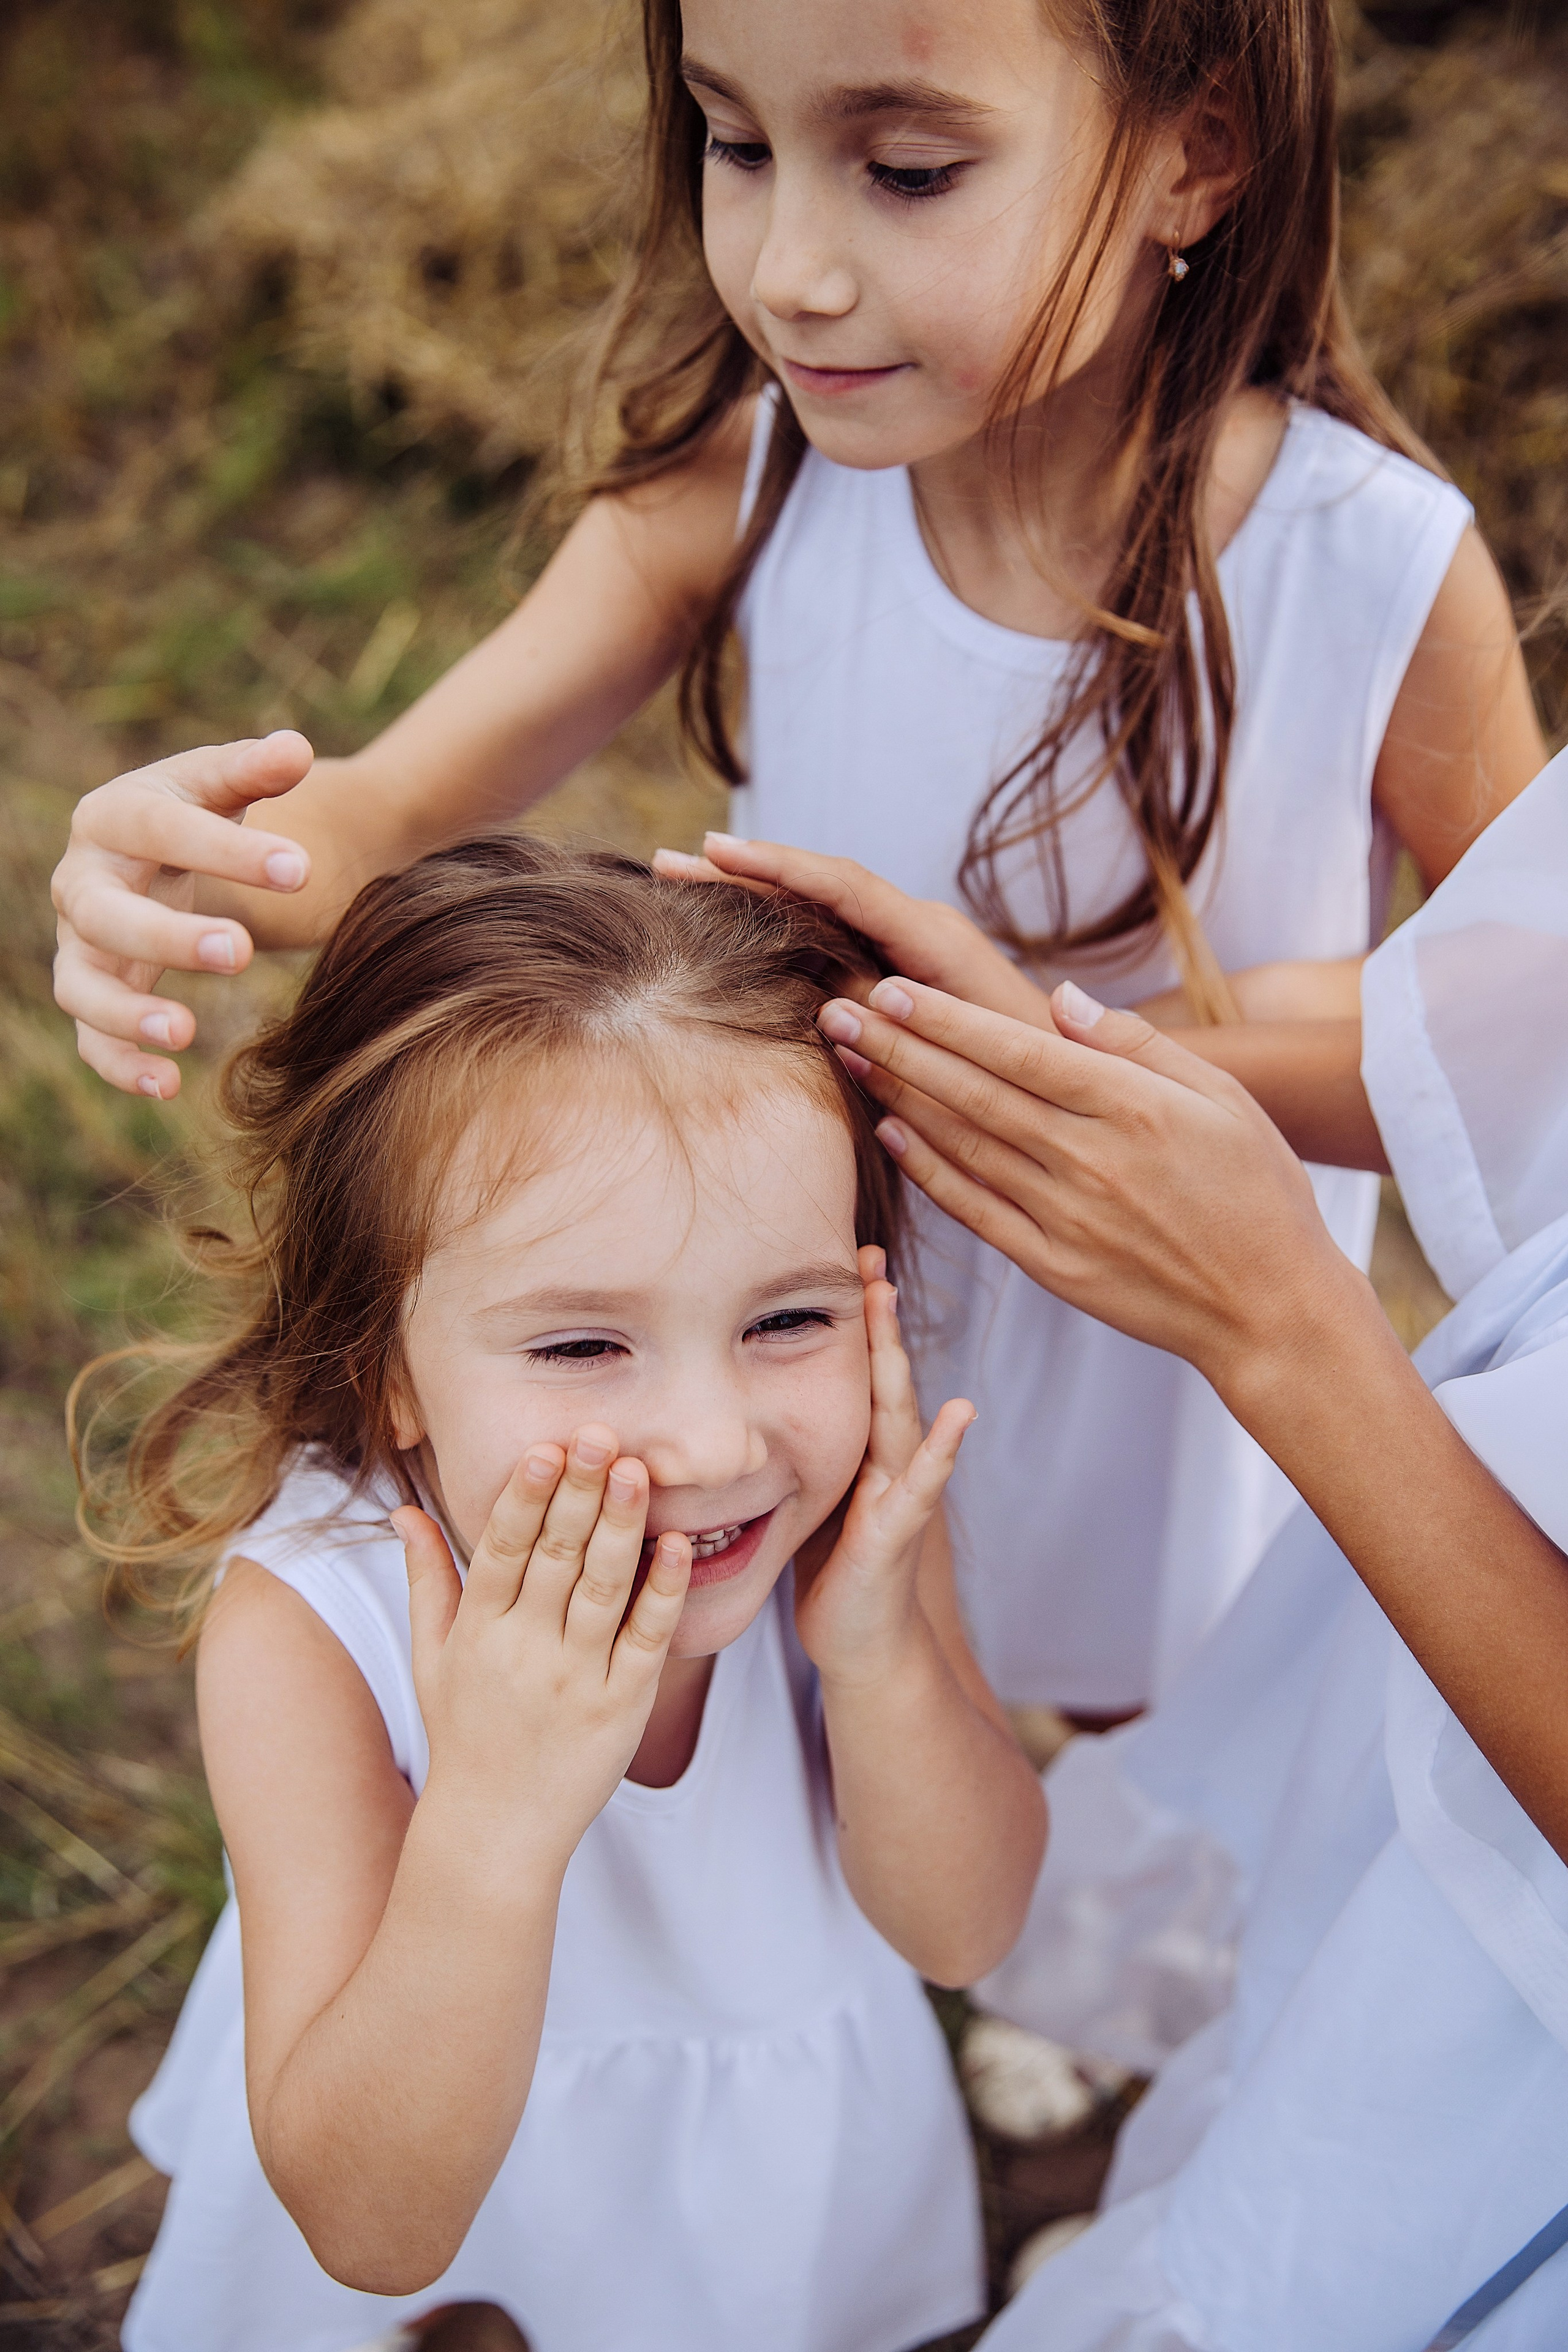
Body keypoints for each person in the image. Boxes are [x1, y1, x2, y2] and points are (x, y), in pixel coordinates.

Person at [50, 0, 1545, 1718]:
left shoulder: (1368, 575)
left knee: (1154, 1740)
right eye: (738, 147)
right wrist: (190, 859)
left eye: (907, 170)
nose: (791, 274)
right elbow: (376, 819)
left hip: (1157, 1374)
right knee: (861, 1717)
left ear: (1192, 154)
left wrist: (1140, 1070)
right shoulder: (739, 486)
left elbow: (1520, 1069)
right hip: (780, 1341)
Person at [80, 838, 1044, 2352]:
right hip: (430, 2140)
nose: (717, 1445)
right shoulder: (314, 1620)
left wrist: (877, 1660)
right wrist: (493, 1810)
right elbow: (372, 2226)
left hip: (757, 2187)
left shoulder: (843, 1524)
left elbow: (964, 1933)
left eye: (788, 1317)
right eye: (585, 1347)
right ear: (386, 1366)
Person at [767, 746, 1568, 2348]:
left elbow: (959, 1913)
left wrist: (1284, 1330)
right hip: (1443, 1791)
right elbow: (1524, 1034)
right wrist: (1056, 1066)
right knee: (1309, 2046)